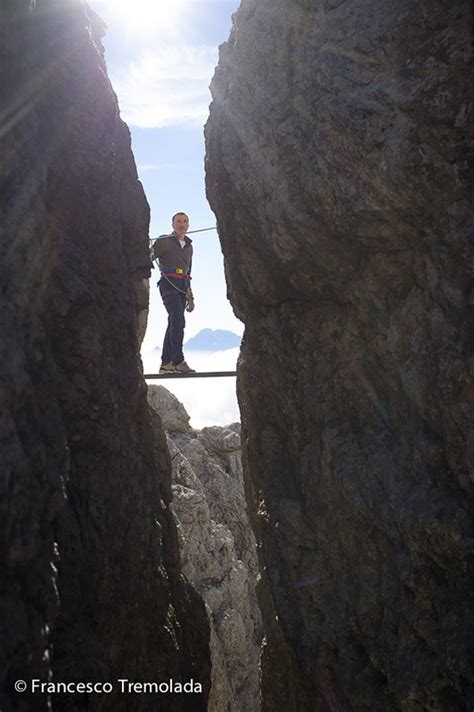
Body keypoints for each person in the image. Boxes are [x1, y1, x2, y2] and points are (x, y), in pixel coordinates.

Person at [151, 212, 196, 374]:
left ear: (188, 225)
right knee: (178, 319)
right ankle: (178, 361)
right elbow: (150, 256)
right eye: (178, 221)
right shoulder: (165, 241)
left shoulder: (189, 247)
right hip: (168, 284)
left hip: (182, 287)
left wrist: (190, 297)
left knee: (173, 322)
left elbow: (188, 272)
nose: (182, 224)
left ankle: (166, 363)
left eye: (185, 222)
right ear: (173, 225)